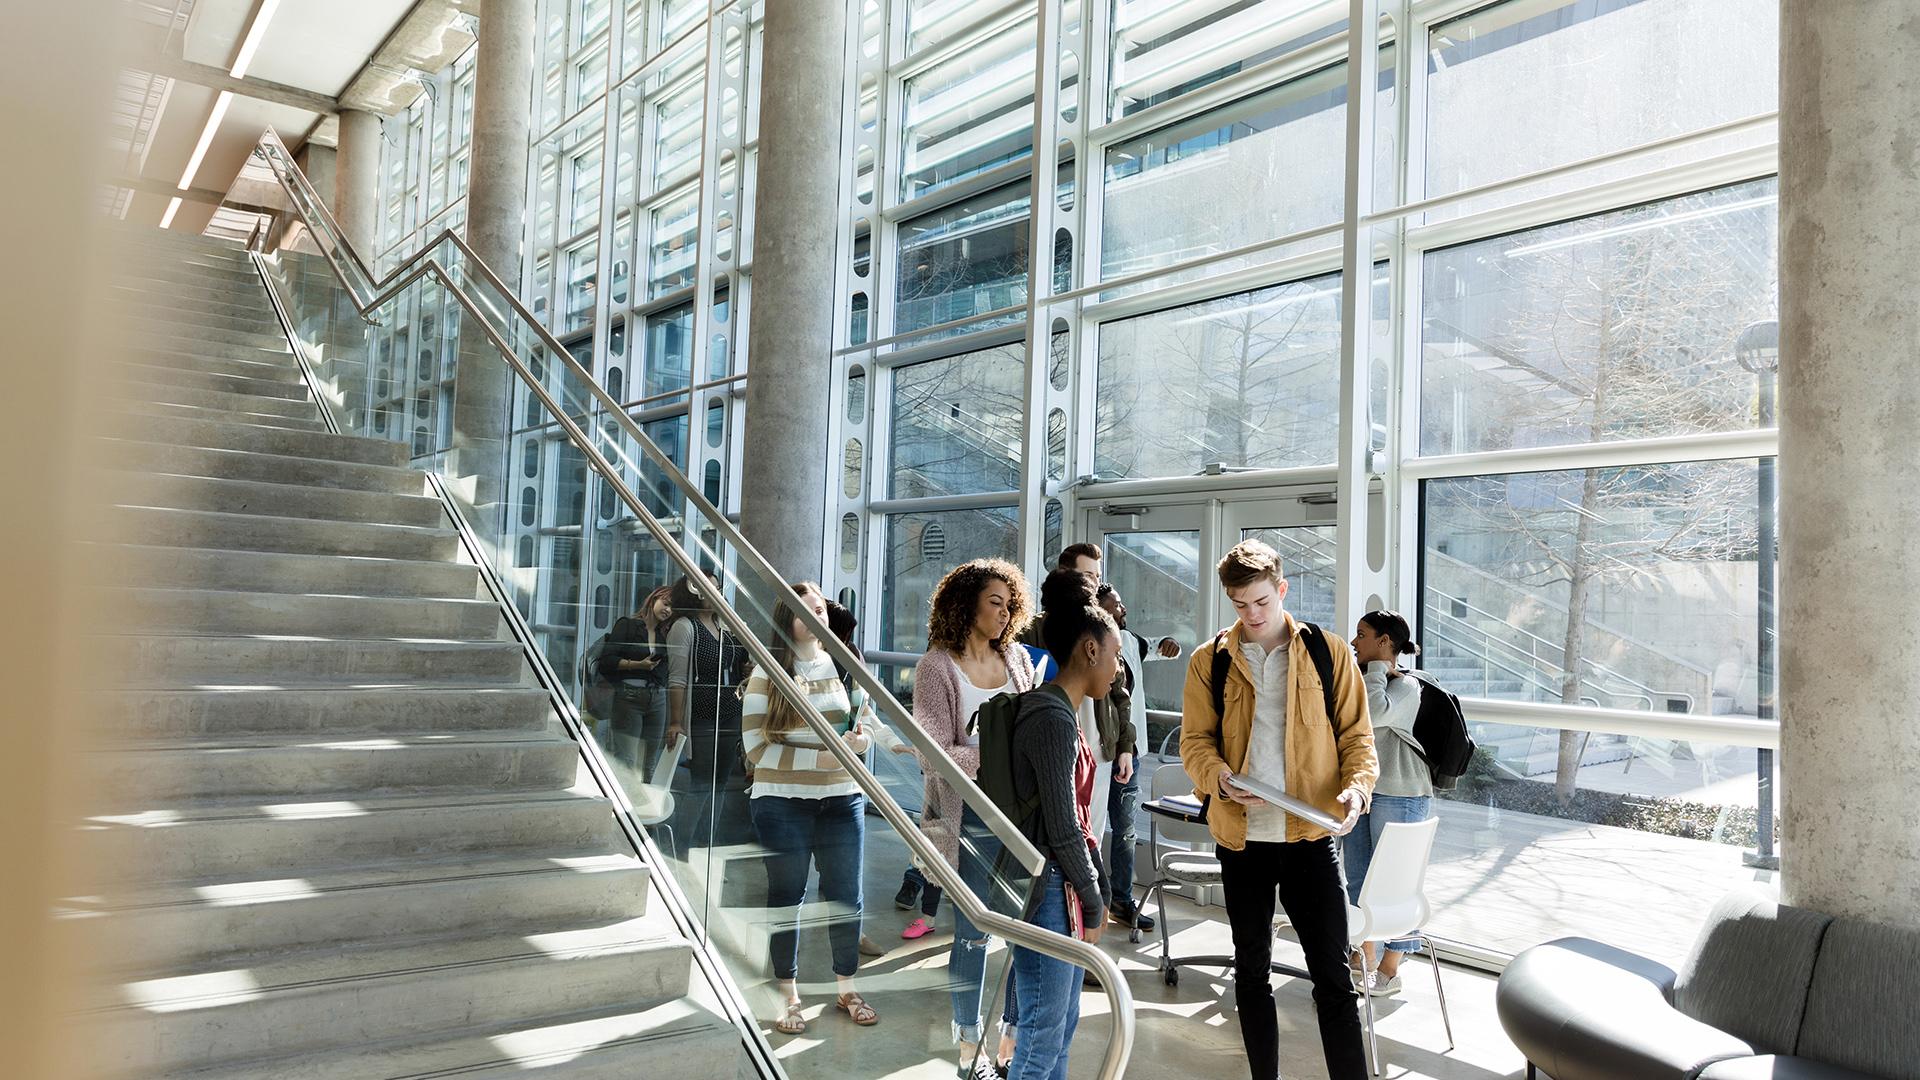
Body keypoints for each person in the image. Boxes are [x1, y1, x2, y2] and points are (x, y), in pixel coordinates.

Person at [1180, 539, 1379, 1080]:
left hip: (1310, 838)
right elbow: (1194, 741)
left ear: (1282, 589)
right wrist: (1218, 778)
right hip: (1242, 840)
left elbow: (1358, 739)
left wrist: (1358, 789)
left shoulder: (1326, 652)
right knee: (1251, 975)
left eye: (1262, 602)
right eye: (1240, 605)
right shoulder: (1209, 661)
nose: (1252, 615)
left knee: (1335, 979)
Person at [900, 559, 1036, 1079]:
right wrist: (999, 757)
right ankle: (966, 1048)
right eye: (993, 602)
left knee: (1026, 930)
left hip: (1021, 816)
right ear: (966, 605)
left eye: (1009, 604)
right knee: (973, 934)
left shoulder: (1018, 658)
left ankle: (1010, 1040)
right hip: (970, 818)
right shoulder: (937, 665)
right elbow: (930, 751)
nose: (1004, 614)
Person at [741, 583, 879, 1034]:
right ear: (787, 618)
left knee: (846, 898)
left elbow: (865, 725)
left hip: (842, 798)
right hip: (782, 802)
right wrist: (819, 758)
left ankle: (847, 989)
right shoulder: (769, 667)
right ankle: (789, 995)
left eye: (819, 609)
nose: (814, 617)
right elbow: (756, 749)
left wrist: (861, 743)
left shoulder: (844, 664)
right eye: (804, 611)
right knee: (787, 899)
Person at [1002, 568, 1116, 1080]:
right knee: (1043, 1034)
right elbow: (1065, 826)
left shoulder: (1059, 712)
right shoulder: (1051, 718)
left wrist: (1095, 889)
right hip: (1046, 890)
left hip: (1054, 886)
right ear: (1090, 650)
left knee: (1059, 1023)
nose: (1116, 669)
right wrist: (1095, 900)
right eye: (1113, 655)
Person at [1019, 545, 1141, 931]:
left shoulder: (1103, 630)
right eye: (1086, 576)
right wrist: (1094, 901)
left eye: (1096, 576)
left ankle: (1083, 921)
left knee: (1093, 826)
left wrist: (1124, 744)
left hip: (1097, 747)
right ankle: (1079, 925)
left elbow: (1120, 693)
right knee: (1067, 829)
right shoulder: (1039, 631)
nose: (1094, 583)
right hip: (1059, 740)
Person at [1344, 610, 1432, 997]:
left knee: (1394, 884)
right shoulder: (1365, 680)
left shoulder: (1408, 686)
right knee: (1360, 879)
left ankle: (1390, 969)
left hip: (1402, 792)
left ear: (1384, 642)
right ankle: (1363, 957)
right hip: (1364, 790)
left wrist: (1378, 669)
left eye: (1362, 635)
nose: (1354, 641)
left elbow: (1373, 714)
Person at [1093, 582, 1181, 932]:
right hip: (1099, 753)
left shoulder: (1130, 643)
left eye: (1122, 603)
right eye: (1116, 605)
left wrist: (1169, 646)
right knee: (1094, 828)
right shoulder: (1087, 646)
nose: (1123, 609)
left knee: (1126, 829)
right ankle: (1092, 902)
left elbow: (1157, 649)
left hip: (1131, 753)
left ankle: (1121, 899)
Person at [665, 572, 751, 849]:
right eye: (706, 588)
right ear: (693, 593)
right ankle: (682, 847)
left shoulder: (726, 624)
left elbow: (740, 664)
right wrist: (675, 722)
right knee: (702, 784)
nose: (714, 592)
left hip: (730, 711)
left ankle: (706, 848)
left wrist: (746, 669)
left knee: (721, 784)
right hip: (701, 715)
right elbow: (677, 679)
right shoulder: (685, 626)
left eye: (716, 587)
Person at [597, 585, 675, 770]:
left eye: (672, 608)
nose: (668, 610)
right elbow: (607, 661)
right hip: (628, 696)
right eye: (665, 603)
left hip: (657, 698)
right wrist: (637, 665)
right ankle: (622, 798)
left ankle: (645, 799)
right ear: (653, 599)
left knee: (649, 761)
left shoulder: (663, 635)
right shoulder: (628, 625)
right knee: (627, 760)